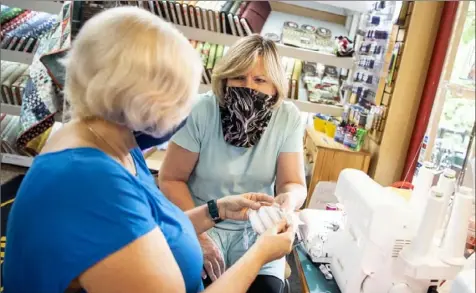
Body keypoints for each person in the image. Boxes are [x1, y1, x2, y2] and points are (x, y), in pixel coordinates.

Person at [3, 7, 295, 293]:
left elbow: (150, 222)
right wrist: (261, 253)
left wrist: (215, 210)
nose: (184, 114)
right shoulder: (89, 183)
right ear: (148, 101)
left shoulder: (111, 144)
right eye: (182, 99)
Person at [159, 35, 307, 292]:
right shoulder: (201, 110)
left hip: (257, 226)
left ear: (275, 87)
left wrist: (289, 200)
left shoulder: (287, 117)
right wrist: (199, 236)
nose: (248, 87)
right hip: (205, 221)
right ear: (224, 79)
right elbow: (171, 178)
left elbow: (293, 183)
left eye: (259, 80)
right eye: (238, 77)